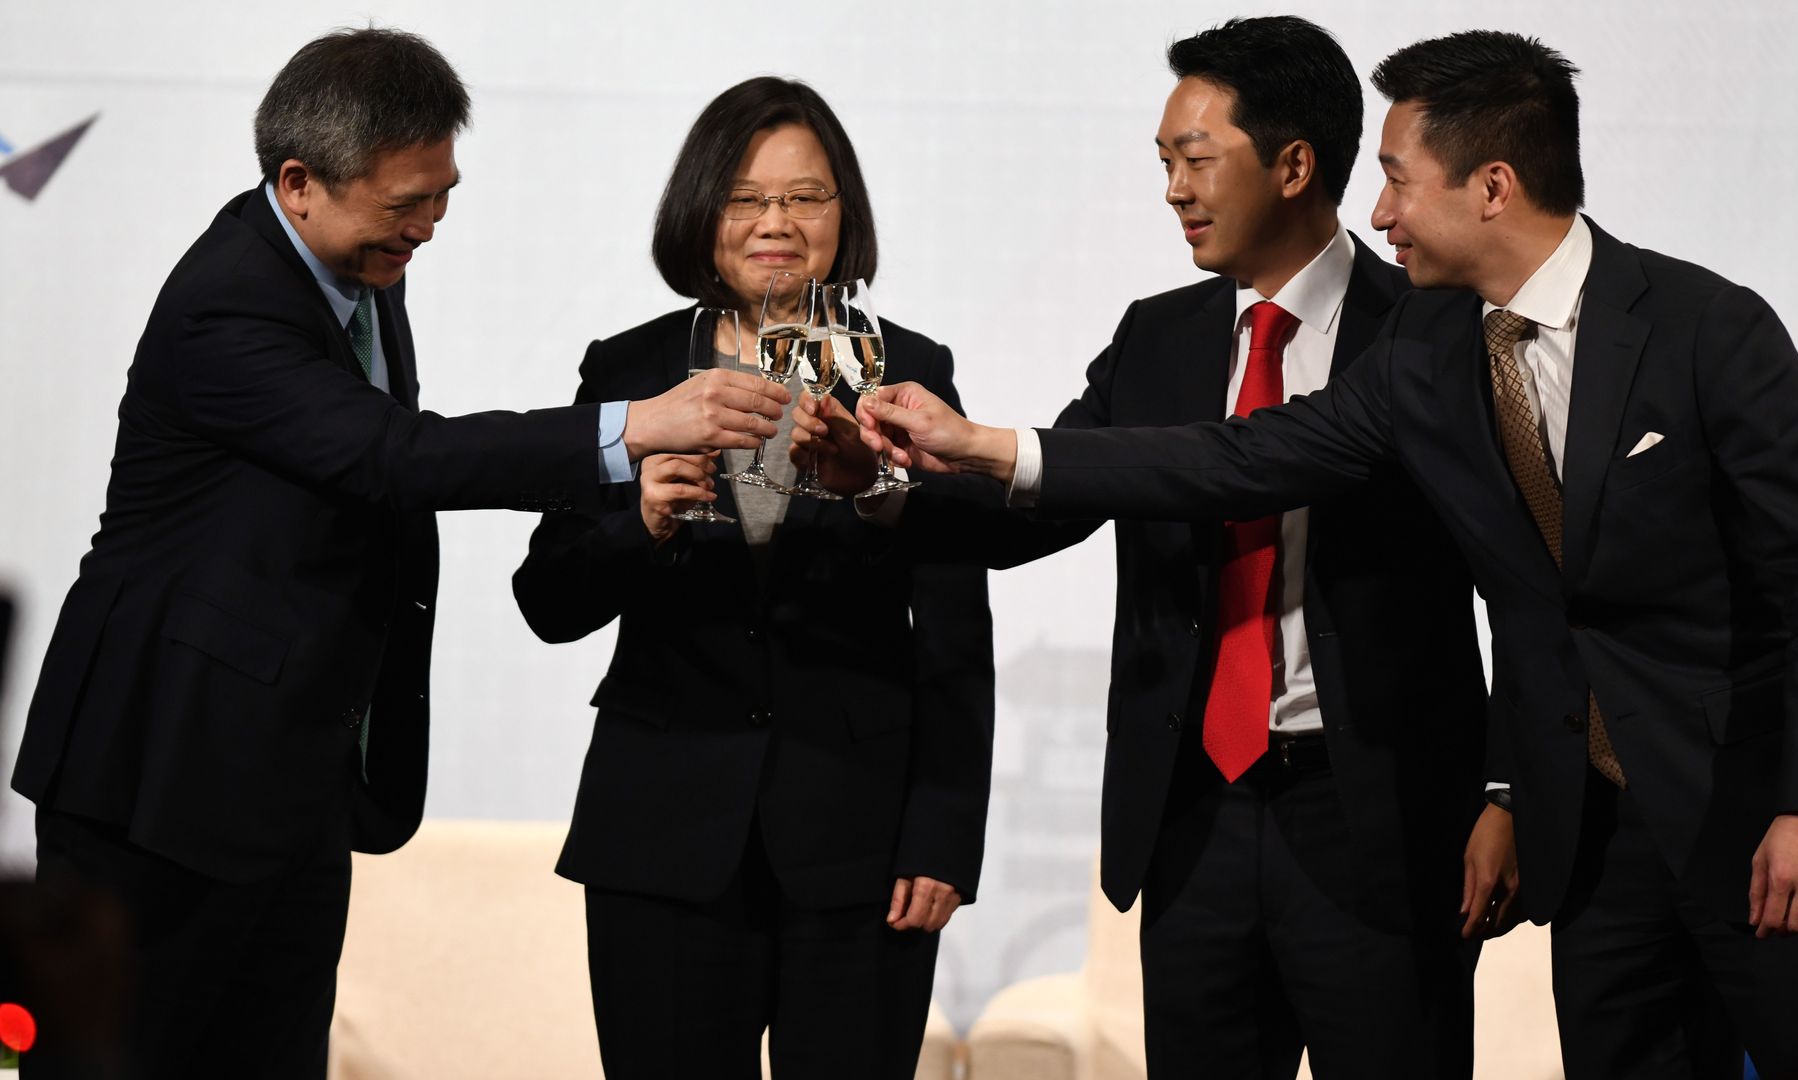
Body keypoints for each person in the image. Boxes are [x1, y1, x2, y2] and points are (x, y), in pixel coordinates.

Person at [856, 29, 1798, 1080]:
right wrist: (979, 446)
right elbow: (1246, 458)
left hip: (1748, 820)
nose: (1382, 210)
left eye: (1400, 180)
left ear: (1490, 186)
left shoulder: (1703, 327)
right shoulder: (1431, 352)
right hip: (1588, 844)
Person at [9, 28, 785, 1077]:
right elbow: (392, 454)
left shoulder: (360, 266)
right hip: (166, 772)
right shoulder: (228, 303)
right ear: (299, 184)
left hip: (287, 776)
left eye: (441, 195)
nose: (427, 227)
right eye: (403, 203)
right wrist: (634, 427)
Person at [802, 17, 1503, 1079]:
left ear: (1294, 164)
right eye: (1164, 163)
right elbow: (1046, 503)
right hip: (1194, 819)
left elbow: (1525, 588)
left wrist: (1507, 793)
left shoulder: (1431, 330)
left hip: (1381, 823)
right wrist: (887, 489)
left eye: (1196, 159)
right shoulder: (1158, 335)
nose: (1174, 189)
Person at [510, 76, 993, 1080]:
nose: (776, 222)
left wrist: (944, 834)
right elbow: (547, 598)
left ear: (843, 215)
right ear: (703, 211)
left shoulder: (906, 369)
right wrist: (640, 519)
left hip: (862, 844)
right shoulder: (632, 370)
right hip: (663, 831)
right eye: (746, 197)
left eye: (805, 197)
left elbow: (954, 625)